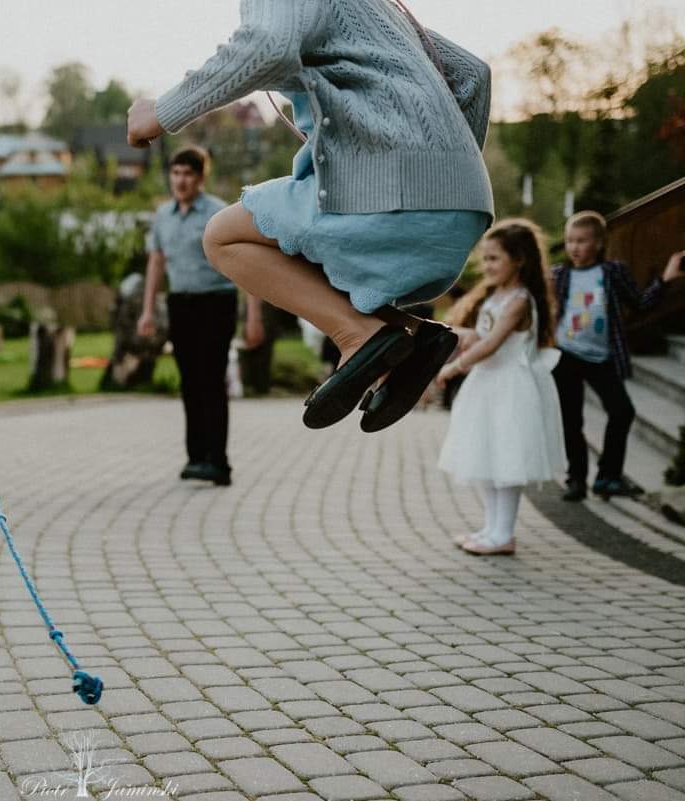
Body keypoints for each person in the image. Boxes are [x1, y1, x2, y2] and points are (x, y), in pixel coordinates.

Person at [127, 0, 494, 434]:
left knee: (224, 237)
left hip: (387, 198)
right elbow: (473, 74)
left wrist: (161, 112)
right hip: (462, 210)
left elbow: (267, 45)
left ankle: (355, 336)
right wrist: (438, 178)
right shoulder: (380, 11)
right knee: (287, 247)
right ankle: (410, 333)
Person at [436, 220, 565, 556]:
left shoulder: (520, 300)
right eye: (486, 258)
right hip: (488, 385)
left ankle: (504, 533)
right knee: (489, 458)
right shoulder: (497, 296)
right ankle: (491, 528)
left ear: (519, 259)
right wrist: (444, 334)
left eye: (494, 258)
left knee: (507, 460)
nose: (487, 265)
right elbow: (478, 337)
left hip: (511, 387)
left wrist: (454, 368)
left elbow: (492, 345)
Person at [137, 146, 264, 487]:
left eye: (188, 174)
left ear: (201, 178)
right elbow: (156, 262)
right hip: (181, 304)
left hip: (216, 304)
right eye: (176, 173)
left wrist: (253, 316)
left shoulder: (219, 214)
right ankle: (195, 457)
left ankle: (218, 462)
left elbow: (246, 264)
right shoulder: (163, 216)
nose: (180, 180)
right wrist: (148, 310)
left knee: (211, 381)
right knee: (190, 381)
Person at [551, 211, 682, 501]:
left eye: (581, 241)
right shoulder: (559, 276)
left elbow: (640, 303)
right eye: (570, 241)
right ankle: (576, 479)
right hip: (566, 356)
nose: (574, 247)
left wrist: (666, 279)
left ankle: (608, 477)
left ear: (598, 243)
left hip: (603, 357)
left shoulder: (612, 272)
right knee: (571, 421)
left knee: (622, 411)